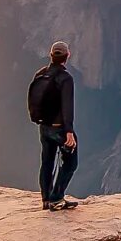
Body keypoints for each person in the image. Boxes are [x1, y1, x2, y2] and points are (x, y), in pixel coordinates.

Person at [32, 41, 79, 210]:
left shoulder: (40, 74)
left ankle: (46, 199)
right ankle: (56, 197)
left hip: (44, 128)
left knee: (47, 161)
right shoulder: (65, 79)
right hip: (60, 129)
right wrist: (69, 132)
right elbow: (67, 107)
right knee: (70, 162)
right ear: (68, 56)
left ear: (51, 56)